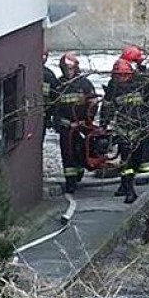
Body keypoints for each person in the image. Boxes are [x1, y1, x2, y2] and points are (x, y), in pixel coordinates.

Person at [100, 59, 149, 204]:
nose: (120, 79)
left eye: (122, 75)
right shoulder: (113, 87)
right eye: (117, 76)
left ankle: (126, 186)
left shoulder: (142, 83)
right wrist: (104, 124)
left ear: (130, 73)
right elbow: (107, 107)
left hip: (141, 129)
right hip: (123, 129)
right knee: (126, 161)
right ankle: (129, 190)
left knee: (138, 160)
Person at [54, 53, 97, 194]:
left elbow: (93, 102)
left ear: (76, 68)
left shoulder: (84, 83)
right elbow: (54, 108)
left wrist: (88, 119)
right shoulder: (58, 85)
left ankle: (80, 171)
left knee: (83, 149)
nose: (68, 72)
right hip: (66, 127)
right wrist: (63, 123)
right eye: (65, 69)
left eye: (70, 69)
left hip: (83, 125)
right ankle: (71, 182)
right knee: (67, 153)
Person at [42, 51, 60, 131]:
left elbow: (55, 96)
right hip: (43, 115)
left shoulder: (48, 75)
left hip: (43, 115)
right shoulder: (49, 74)